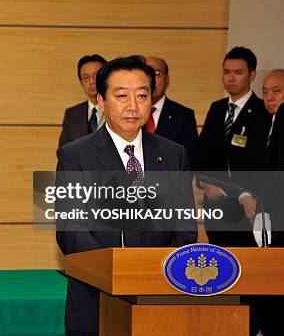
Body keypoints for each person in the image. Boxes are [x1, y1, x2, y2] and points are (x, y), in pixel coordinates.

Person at [56, 55, 197, 336]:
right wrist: (117, 272)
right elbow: (71, 229)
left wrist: (158, 276)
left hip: (159, 297)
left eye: (142, 95)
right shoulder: (76, 155)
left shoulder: (172, 153)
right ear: (101, 100)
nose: (133, 106)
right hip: (97, 299)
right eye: (121, 95)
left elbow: (184, 228)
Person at [197, 46, 271, 247]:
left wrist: (235, 192)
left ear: (252, 75)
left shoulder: (262, 112)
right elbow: (203, 152)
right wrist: (204, 182)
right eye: (227, 72)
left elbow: (257, 164)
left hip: (246, 207)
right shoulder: (217, 108)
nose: (231, 78)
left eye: (238, 73)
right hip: (215, 205)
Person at [144, 56, 199, 168]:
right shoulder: (130, 113)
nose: (152, 79)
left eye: (157, 73)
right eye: (147, 73)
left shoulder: (184, 116)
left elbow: (190, 158)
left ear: (167, 80)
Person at [58, 54, 107, 147]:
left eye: (96, 76)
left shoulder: (118, 109)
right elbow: (63, 149)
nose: (91, 81)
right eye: (86, 77)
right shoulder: (72, 114)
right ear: (81, 83)